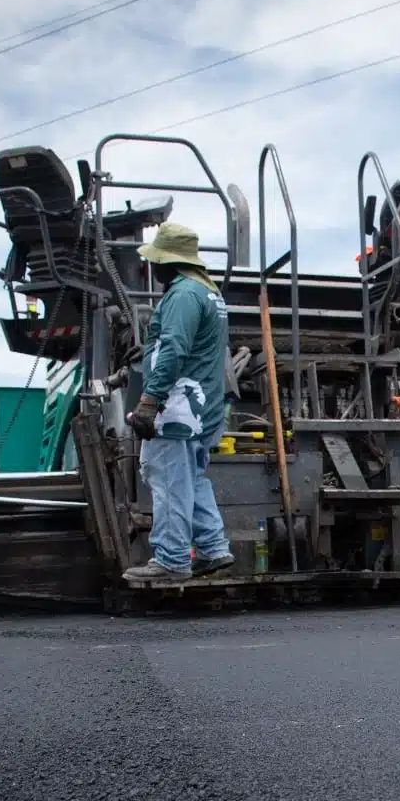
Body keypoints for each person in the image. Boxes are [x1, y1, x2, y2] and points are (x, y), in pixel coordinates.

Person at [122, 223, 234, 582]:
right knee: (192, 478)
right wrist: (151, 349)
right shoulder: (208, 292)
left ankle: (171, 558)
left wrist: (149, 401)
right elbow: (188, 343)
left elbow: (175, 348)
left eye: (156, 262)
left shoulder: (183, 295)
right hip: (202, 409)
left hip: (179, 409)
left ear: (167, 263)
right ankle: (213, 547)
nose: (153, 269)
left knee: (168, 477)